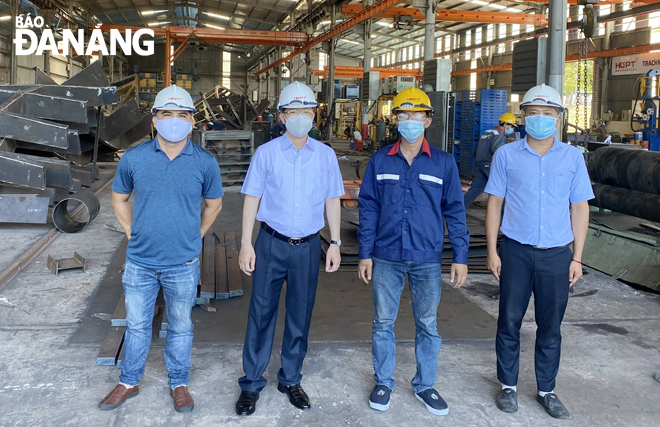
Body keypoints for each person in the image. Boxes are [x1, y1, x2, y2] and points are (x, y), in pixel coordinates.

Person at [99, 85, 224, 413]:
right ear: (154, 120)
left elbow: (214, 204)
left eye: (182, 114)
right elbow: (118, 197)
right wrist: (129, 229)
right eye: (166, 114)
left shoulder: (204, 163)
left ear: (192, 122)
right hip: (140, 261)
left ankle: (179, 382)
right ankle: (129, 380)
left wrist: (196, 235)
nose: (174, 120)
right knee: (137, 324)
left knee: (181, 325)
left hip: (182, 263)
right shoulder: (135, 158)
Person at [357, 87, 469, 416]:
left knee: (428, 325)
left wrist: (460, 256)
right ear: (395, 121)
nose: (408, 121)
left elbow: (456, 212)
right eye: (402, 115)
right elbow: (368, 208)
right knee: (383, 322)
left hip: (427, 258)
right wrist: (365, 253)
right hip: (387, 256)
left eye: (415, 115)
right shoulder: (380, 160)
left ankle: (425, 385)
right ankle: (383, 381)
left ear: (428, 120)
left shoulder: (444, 164)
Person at [484, 84, 593, 419]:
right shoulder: (506, 155)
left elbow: (579, 208)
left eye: (548, 114)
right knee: (509, 321)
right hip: (516, 251)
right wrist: (492, 251)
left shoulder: (573, 157)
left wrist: (577, 256)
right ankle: (508, 386)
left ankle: (547, 389)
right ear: (524, 118)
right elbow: (495, 205)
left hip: (557, 255)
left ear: (558, 119)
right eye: (534, 113)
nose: (541, 119)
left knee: (550, 325)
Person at [235, 81, 345, 416]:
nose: (300, 117)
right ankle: (252, 383)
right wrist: (245, 243)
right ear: (282, 116)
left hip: (308, 247)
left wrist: (336, 243)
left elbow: (332, 200)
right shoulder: (266, 154)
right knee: (261, 313)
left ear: (315, 115)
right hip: (271, 243)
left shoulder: (325, 155)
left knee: (300, 315)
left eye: (306, 111)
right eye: (293, 111)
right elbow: (251, 199)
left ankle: (290, 379)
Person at [463, 113, 517, 208]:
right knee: (500, 189)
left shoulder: (487, 132)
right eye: (511, 126)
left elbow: (477, 149)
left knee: (474, 190)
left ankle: (458, 209)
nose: (512, 129)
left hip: (480, 164)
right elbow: (495, 149)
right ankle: (504, 216)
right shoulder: (499, 134)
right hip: (489, 164)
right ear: (505, 124)